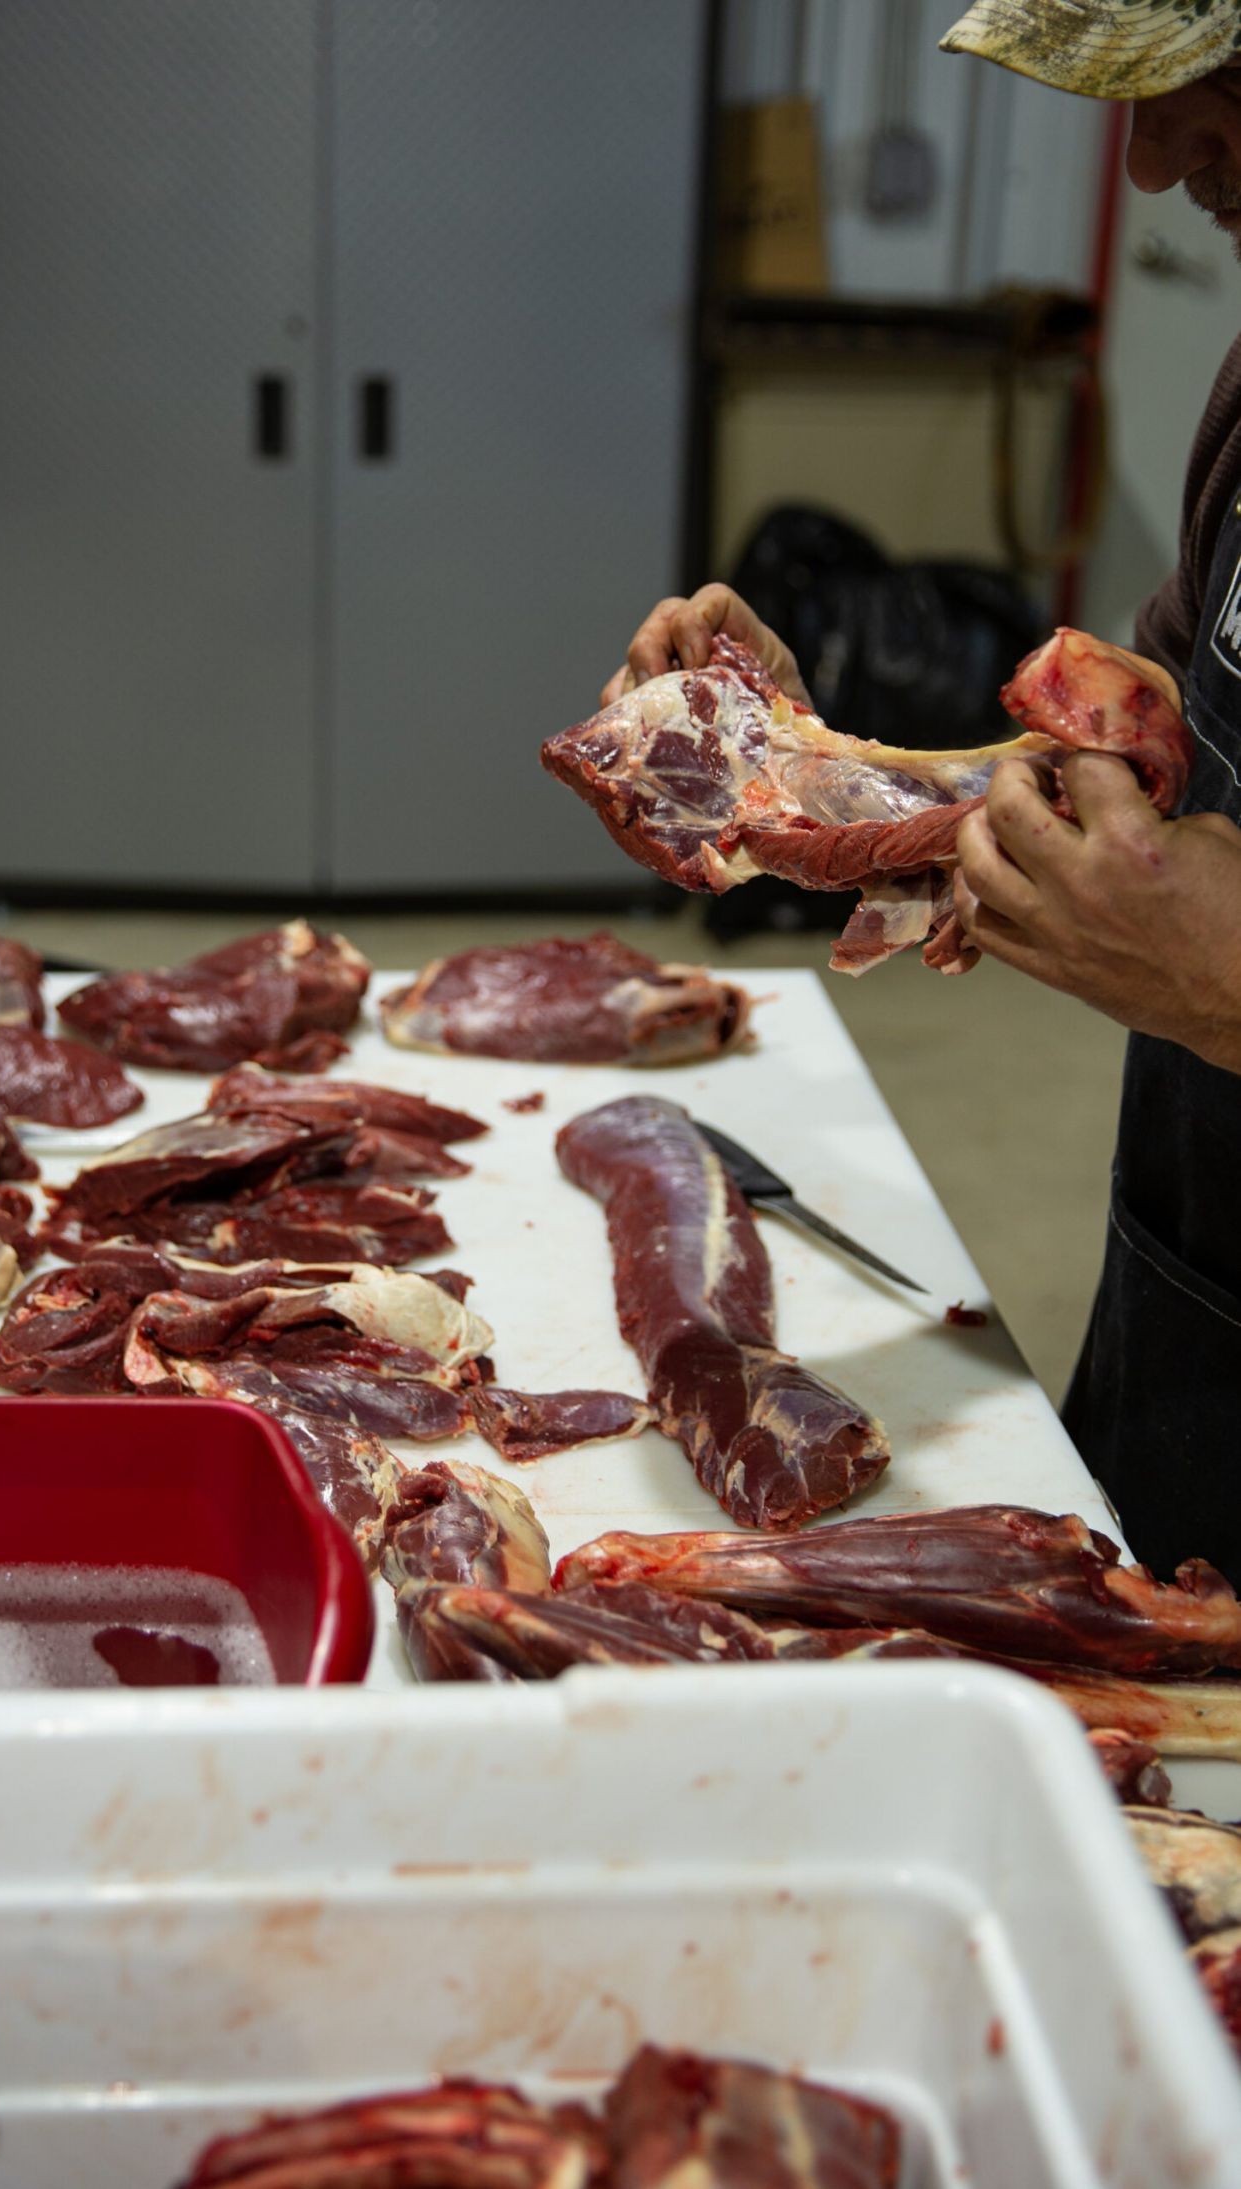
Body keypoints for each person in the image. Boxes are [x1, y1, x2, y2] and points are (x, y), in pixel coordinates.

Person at [604, 0, 1241, 1588]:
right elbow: (1116, 778)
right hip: (1199, 1302)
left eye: (1209, 81)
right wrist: (810, 766)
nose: (1153, 162)